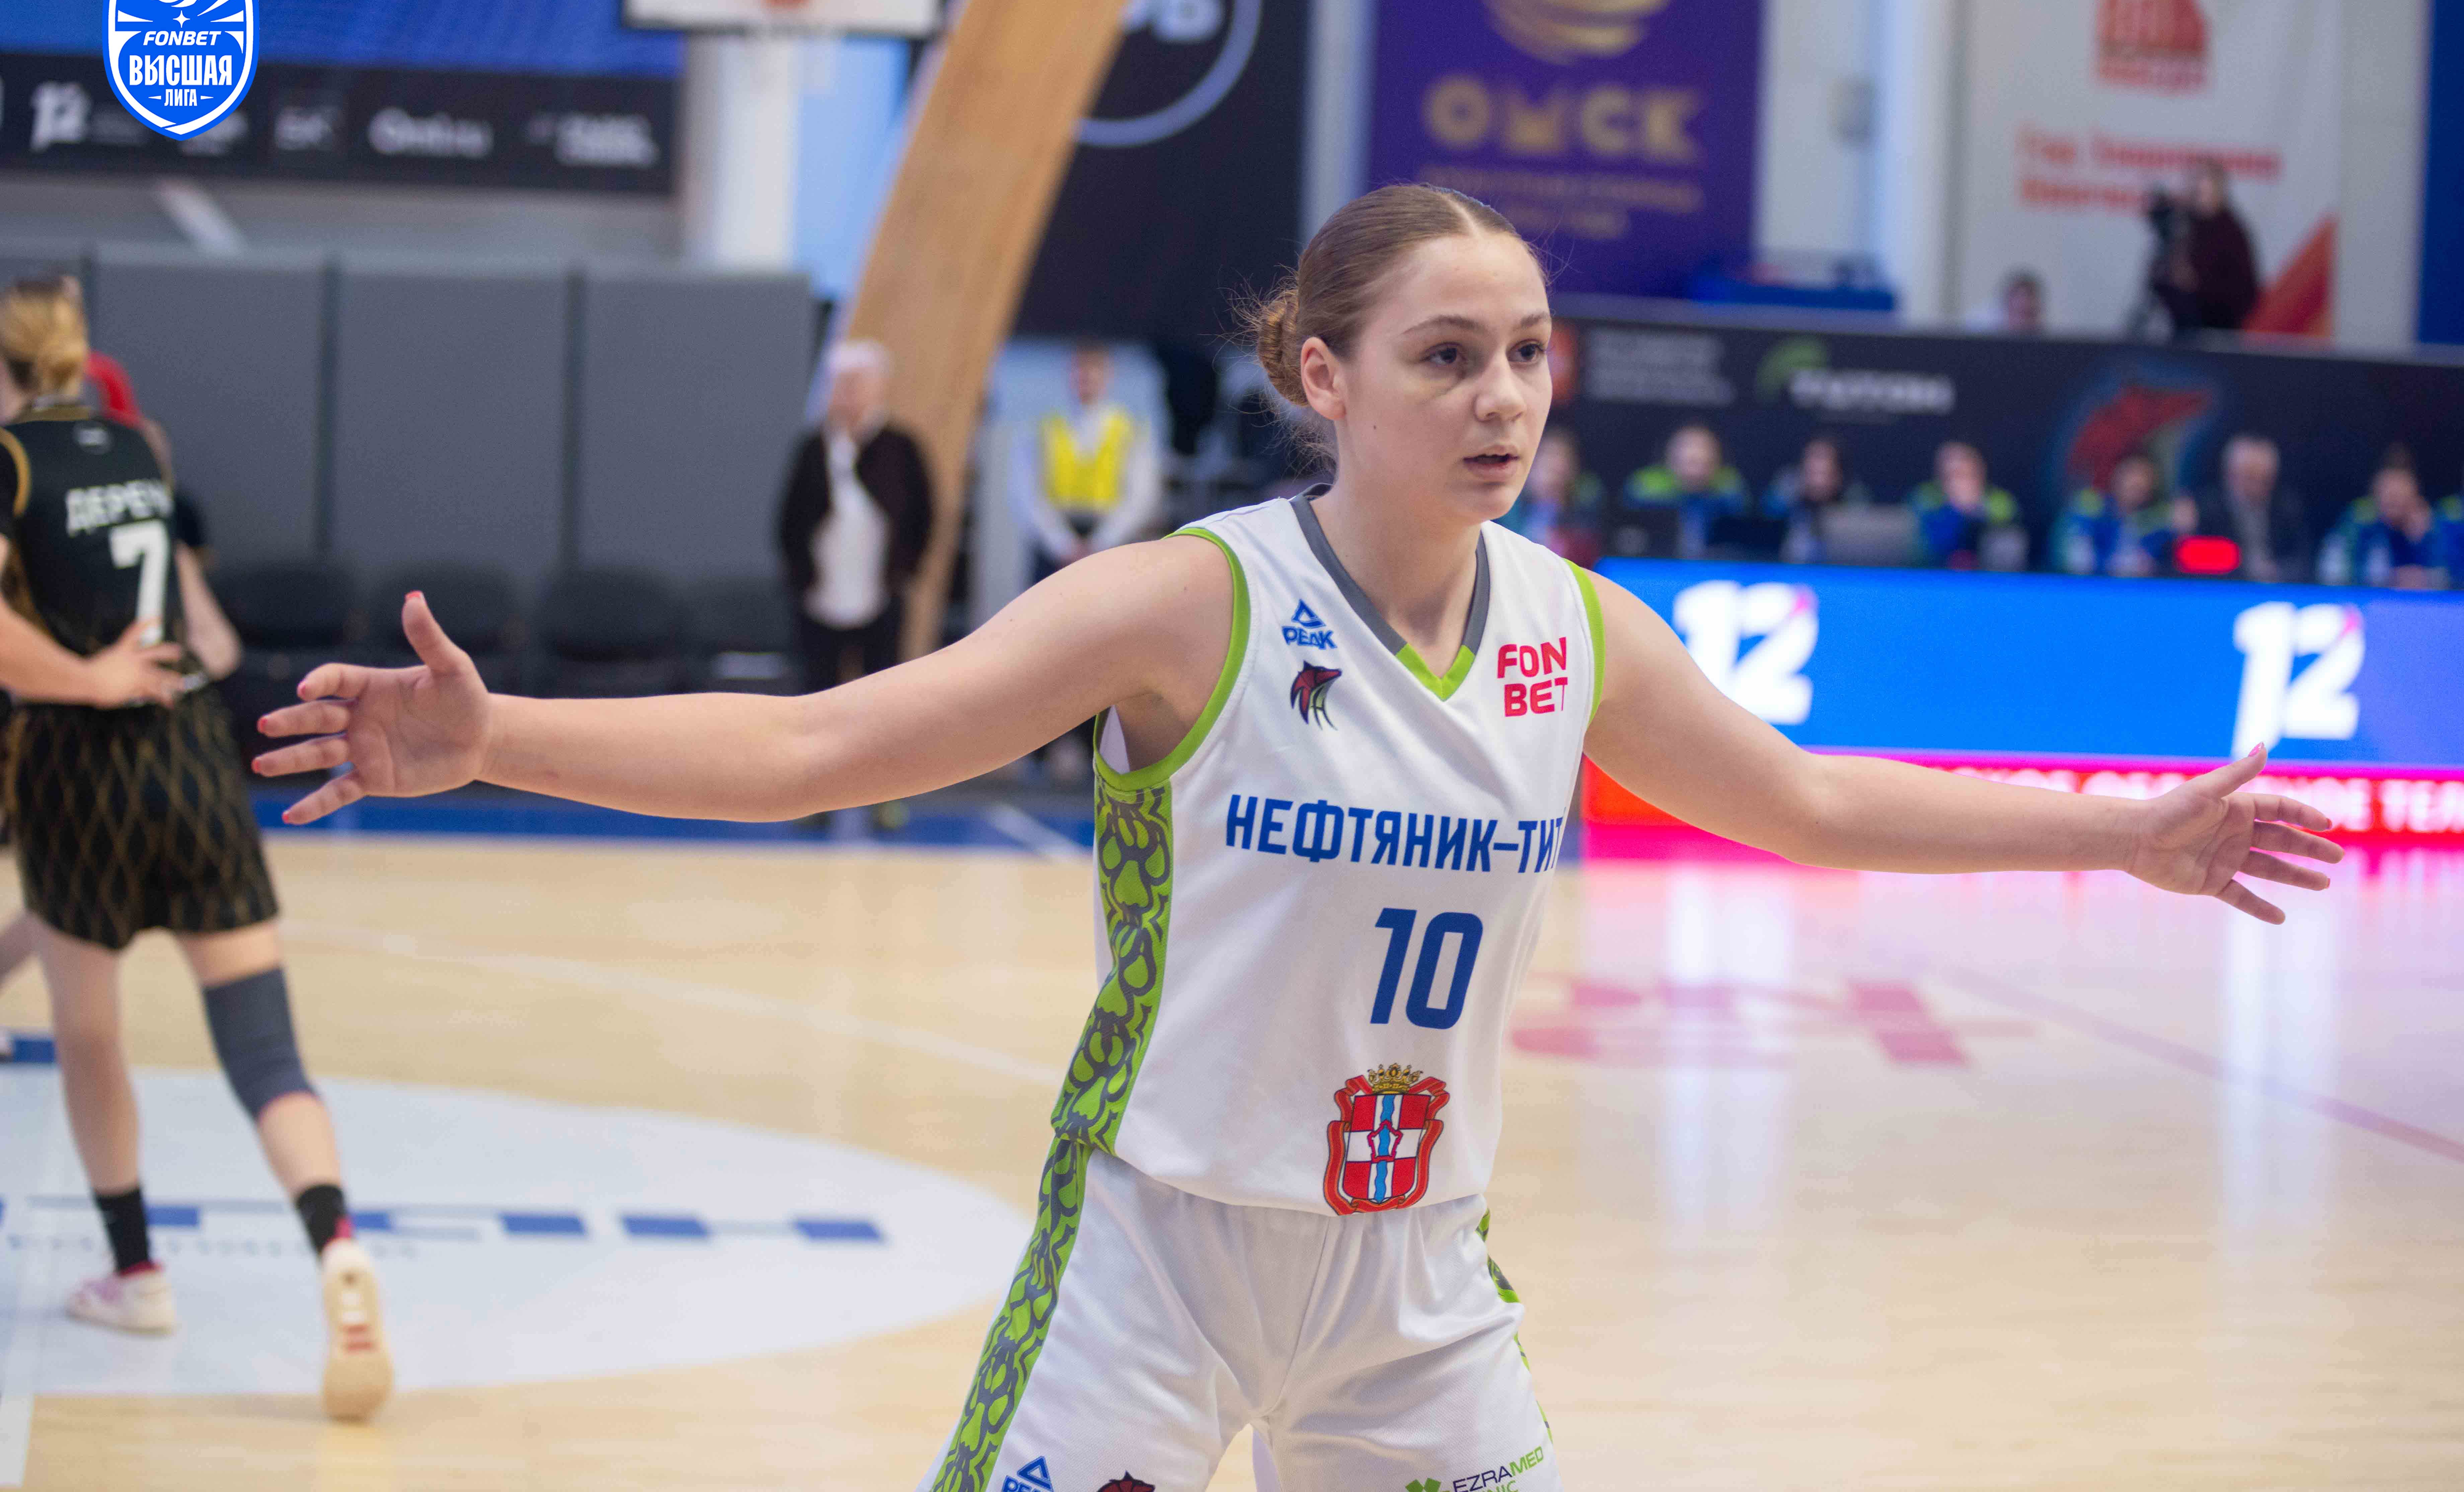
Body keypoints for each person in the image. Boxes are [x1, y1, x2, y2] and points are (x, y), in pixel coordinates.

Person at [254, 185, 2340, 1491]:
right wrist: (497, 736)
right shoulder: (1193, 602)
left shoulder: (1579, 629)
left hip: (1414, 1274)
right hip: (1156, 1255)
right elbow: (821, 744)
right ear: (1325, 376)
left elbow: (1803, 798)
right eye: (1449, 355)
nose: (1502, 394)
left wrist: (2123, 830)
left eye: (1526, 354)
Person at [0, 276, 391, 1421]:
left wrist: (87, 679)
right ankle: (336, 1240)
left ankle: (136, 1274)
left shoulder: (8, 461)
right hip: (192, 753)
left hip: (80, 767)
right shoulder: (142, 446)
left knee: (90, 1034)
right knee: (265, 1051)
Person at [776, 340, 934, 826]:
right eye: (839, 383)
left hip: (880, 594)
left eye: (856, 383)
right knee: (817, 700)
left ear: (878, 387)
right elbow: (788, 521)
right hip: (820, 595)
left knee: (883, 702)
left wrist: (903, 573)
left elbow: (923, 516)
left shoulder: (901, 447)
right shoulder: (813, 448)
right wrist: (801, 578)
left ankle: (884, 795)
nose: (846, 393)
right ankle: (813, 798)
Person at [1010, 340, 1164, 582]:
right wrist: (1062, 544)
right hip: (1054, 545)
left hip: (1110, 541)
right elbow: (1025, 493)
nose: (1086, 376)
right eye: (1080, 368)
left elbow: (1141, 496)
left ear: (1109, 375)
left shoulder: (1132, 430)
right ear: (1069, 373)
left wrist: (1101, 543)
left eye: (1094, 369)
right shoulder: (1041, 427)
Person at [2151, 159, 2259, 337]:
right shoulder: (2185, 225)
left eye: (2202, 180)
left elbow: (2244, 290)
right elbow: (2160, 278)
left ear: (2218, 187)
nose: (2195, 187)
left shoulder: (2231, 231)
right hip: (2182, 331)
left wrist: (2197, 284)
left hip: (2220, 330)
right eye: (2192, 180)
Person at [2186, 433, 2311, 582]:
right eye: (2250, 478)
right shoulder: (2207, 507)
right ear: (2231, 475)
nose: (2257, 488)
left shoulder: (2286, 506)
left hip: (2277, 587)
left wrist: (2277, 571)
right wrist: (2244, 566)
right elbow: (2192, 556)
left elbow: (2303, 559)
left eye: (2264, 480)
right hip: (2225, 587)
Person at [2319, 452, 2449, 588]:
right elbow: (2331, 572)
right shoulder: (2360, 520)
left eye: (2400, 491)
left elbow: (2446, 577)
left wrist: (2421, 542)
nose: (2393, 498)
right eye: (2388, 490)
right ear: (2375, 491)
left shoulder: (2430, 523)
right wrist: (2389, 579)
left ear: (2414, 493)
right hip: (2365, 596)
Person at [1622, 421, 1747, 558]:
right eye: (1691, 461)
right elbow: (1628, 535)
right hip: (1657, 564)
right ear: (1669, 457)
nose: (1696, 471)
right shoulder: (1647, 487)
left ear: (1718, 460)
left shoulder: (1729, 488)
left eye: (1704, 462)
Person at [2054, 451, 2174, 577]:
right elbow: (2076, 560)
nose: (2138, 481)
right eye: (2132, 473)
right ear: (2116, 474)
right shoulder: (2089, 507)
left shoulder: (2159, 521)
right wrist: (2114, 564)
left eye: (2145, 476)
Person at [1908, 440, 2024, 568]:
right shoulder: (1926, 496)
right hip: (1935, 564)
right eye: (1950, 475)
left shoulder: (1999, 499)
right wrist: (1951, 508)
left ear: (1979, 473)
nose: (1957, 482)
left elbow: (2008, 525)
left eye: (1963, 474)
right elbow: (1918, 521)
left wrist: (1975, 508)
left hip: (1987, 568)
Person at [1496, 425, 1600, 565]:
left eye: (1562, 460)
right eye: (1548, 458)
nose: (1555, 467)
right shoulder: (1506, 511)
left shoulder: (1583, 520)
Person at [1764, 433, 1869, 565]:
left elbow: (1865, 541)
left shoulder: (1853, 498)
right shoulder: (1788, 491)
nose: (1817, 482)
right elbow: (1765, 521)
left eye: (1824, 474)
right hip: (1789, 570)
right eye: (1811, 473)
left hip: (1839, 571)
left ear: (1839, 476)